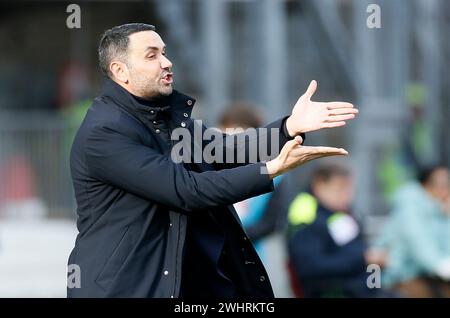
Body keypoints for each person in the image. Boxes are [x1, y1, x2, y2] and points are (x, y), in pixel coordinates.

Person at [67, 23, 358, 298]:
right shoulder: (104, 132)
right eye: (152, 55)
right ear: (120, 71)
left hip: (184, 284)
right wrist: (270, 170)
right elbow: (185, 190)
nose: (167, 62)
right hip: (124, 289)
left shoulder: (166, 119)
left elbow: (229, 148)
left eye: (164, 52)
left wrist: (289, 127)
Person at [286, 162, 384, 297]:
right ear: (319, 186)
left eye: (350, 189)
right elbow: (311, 267)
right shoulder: (306, 215)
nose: (348, 195)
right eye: (340, 188)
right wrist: (362, 258)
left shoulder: (339, 211)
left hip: (362, 288)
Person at [373, 164, 450, 297]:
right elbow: (420, 246)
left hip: (426, 275)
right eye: (442, 184)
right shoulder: (409, 206)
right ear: (425, 185)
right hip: (397, 277)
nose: (445, 189)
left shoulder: (439, 210)